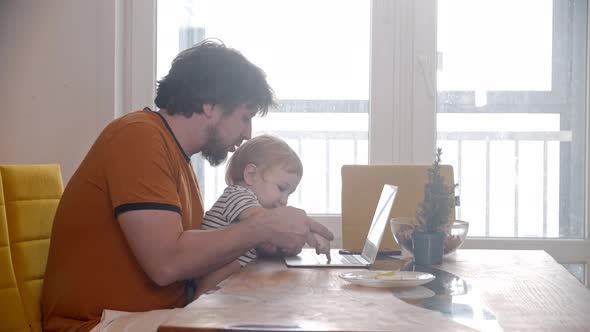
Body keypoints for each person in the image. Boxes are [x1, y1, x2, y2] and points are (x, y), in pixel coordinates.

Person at [42, 40, 334, 332]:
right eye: (244, 117)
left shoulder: (177, 158)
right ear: (210, 105)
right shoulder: (138, 137)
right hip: (99, 324)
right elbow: (167, 263)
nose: (247, 133)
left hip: (151, 315)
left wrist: (266, 240)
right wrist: (265, 226)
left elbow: (194, 254)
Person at [195, 134, 331, 297]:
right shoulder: (237, 195)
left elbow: (273, 238)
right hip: (207, 281)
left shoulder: (256, 206)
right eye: (281, 188)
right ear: (251, 175)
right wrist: (311, 232)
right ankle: (197, 304)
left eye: (290, 193)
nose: (284, 200)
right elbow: (275, 224)